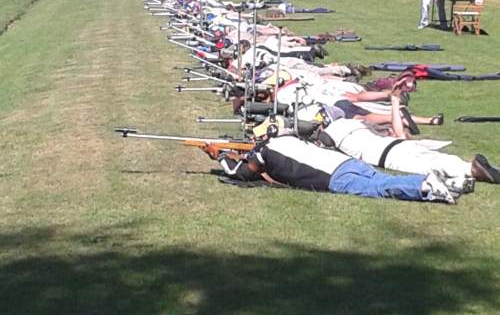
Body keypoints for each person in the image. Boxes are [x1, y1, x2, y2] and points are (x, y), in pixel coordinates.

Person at [204, 136, 467, 204]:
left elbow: (242, 173)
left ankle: (425, 187)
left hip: (334, 178)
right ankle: (447, 182)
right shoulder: (289, 139)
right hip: (345, 162)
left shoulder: (262, 153)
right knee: (384, 180)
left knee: (379, 189)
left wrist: (219, 156)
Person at [320, 88, 500, 184]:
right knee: (434, 162)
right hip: (387, 151)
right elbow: (397, 132)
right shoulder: (360, 130)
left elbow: (397, 132)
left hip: (385, 152)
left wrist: (395, 102)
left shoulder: (352, 131)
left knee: (434, 161)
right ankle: (474, 170)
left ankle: (476, 170)